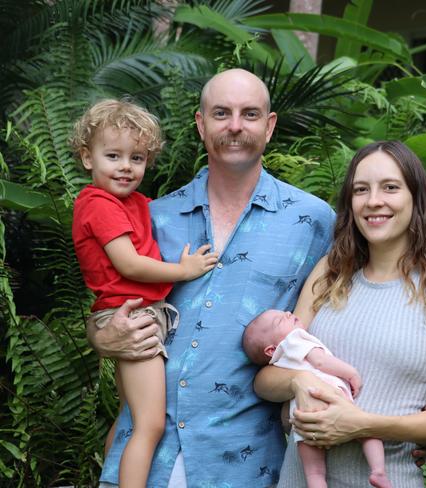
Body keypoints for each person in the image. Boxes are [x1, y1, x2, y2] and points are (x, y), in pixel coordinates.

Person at [87, 70, 335, 487]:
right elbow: (109, 303)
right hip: (147, 462)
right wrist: (100, 336)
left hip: (244, 463)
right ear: (201, 124)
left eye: (249, 114)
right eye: (222, 113)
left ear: (269, 126)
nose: (235, 125)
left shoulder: (312, 220)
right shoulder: (152, 217)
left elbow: (353, 308)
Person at [254, 140, 426, 487]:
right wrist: (300, 382)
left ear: (416, 198)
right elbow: (267, 380)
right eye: (361, 189)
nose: (374, 201)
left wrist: (363, 424)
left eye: (390, 187)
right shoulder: (330, 271)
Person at [71, 99, 218, 487]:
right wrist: (184, 270)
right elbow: (129, 264)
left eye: (136, 158)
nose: (125, 166)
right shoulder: (99, 204)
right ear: (88, 158)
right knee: (151, 424)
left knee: (130, 419)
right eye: (113, 155)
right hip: (131, 316)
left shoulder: (135, 203)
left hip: (136, 311)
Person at [243, 309, 391, 488]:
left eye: (285, 312)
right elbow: (320, 361)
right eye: (280, 321)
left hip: (304, 417)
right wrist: (351, 373)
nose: (288, 313)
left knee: (314, 472)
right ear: (272, 349)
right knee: (368, 432)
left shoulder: (280, 362)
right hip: (328, 395)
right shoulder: (294, 340)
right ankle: (378, 471)